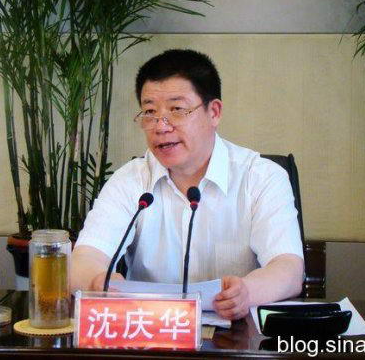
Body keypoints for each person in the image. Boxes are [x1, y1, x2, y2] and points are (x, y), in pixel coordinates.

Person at [70, 49, 304, 320]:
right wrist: (97, 282)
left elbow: (288, 268)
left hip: (237, 334)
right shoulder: (130, 180)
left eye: (177, 110)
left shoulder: (262, 177)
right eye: (150, 112)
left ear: (213, 112)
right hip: (151, 331)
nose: (160, 126)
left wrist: (247, 293)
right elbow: (84, 259)